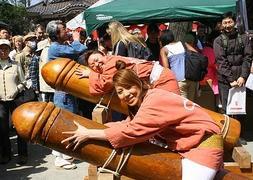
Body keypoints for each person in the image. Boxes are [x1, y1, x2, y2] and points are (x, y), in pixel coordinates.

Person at [62, 69, 223, 180]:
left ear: (138, 83)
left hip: (203, 149)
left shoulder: (154, 101)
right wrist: (98, 128)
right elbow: (129, 123)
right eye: (120, 91)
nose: (126, 94)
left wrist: (88, 133)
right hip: (191, 146)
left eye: (128, 87)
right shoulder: (148, 99)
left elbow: (132, 131)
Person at [46, 20, 86, 170]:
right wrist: (76, 40)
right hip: (63, 93)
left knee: (70, 120)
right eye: (64, 30)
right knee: (64, 123)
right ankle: (58, 156)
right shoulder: (55, 48)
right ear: (56, 34)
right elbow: (80, 50)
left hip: (68, 91)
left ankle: (66, 152)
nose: (68, 31)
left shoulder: (61, 46)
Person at [213, 12, 252, 140]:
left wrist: (243, 76)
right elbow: (221, 61)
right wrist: (231, 79)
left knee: (240, 108)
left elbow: (248, 57)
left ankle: (240, 135)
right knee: (226, 108)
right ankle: (229, 137)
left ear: (234, 22)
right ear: (221, 25)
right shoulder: (218, 41)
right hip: (225, 80)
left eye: (230, 22)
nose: (228, 25)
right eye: (225, 23)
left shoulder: (243, 38)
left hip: (241, 78)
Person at [76, 50, 179, 96]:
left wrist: (91, 74)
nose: (97, 64)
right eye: (93, 66)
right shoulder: (112, 61)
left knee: (173, 111)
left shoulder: (110, 63)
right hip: (159, 79)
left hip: (161, 79)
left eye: (96, 60)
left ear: (103, 55)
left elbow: (104, 84)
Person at [0, 39, 27, 164]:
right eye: (1, 48)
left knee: (19, 127)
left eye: (5, 48)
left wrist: (16, 89)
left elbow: (23, 82)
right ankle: (6, 153)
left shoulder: (16, 65)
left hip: (15, 99)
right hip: (1, 102)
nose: (3, 51)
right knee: (3, 128)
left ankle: (23, 154)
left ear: (9, 50)